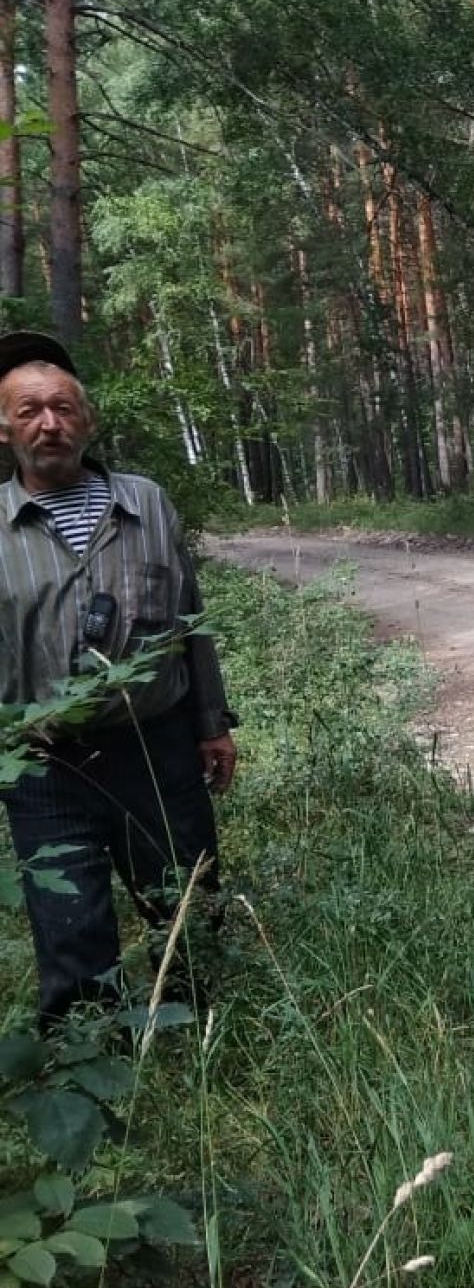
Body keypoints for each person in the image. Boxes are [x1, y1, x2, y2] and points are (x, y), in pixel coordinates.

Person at [0, 330, 238, 1029]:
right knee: (69, 923)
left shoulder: (147, 503)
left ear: (88, 420)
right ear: (4, 427)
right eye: (29, 411)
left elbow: (189, 620)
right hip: (45, 767)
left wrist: (211, 725)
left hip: (156, 748)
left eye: (64, 407)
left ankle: (202, 1041)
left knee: (187, 907)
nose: (50, 423)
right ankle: (91, 1064)